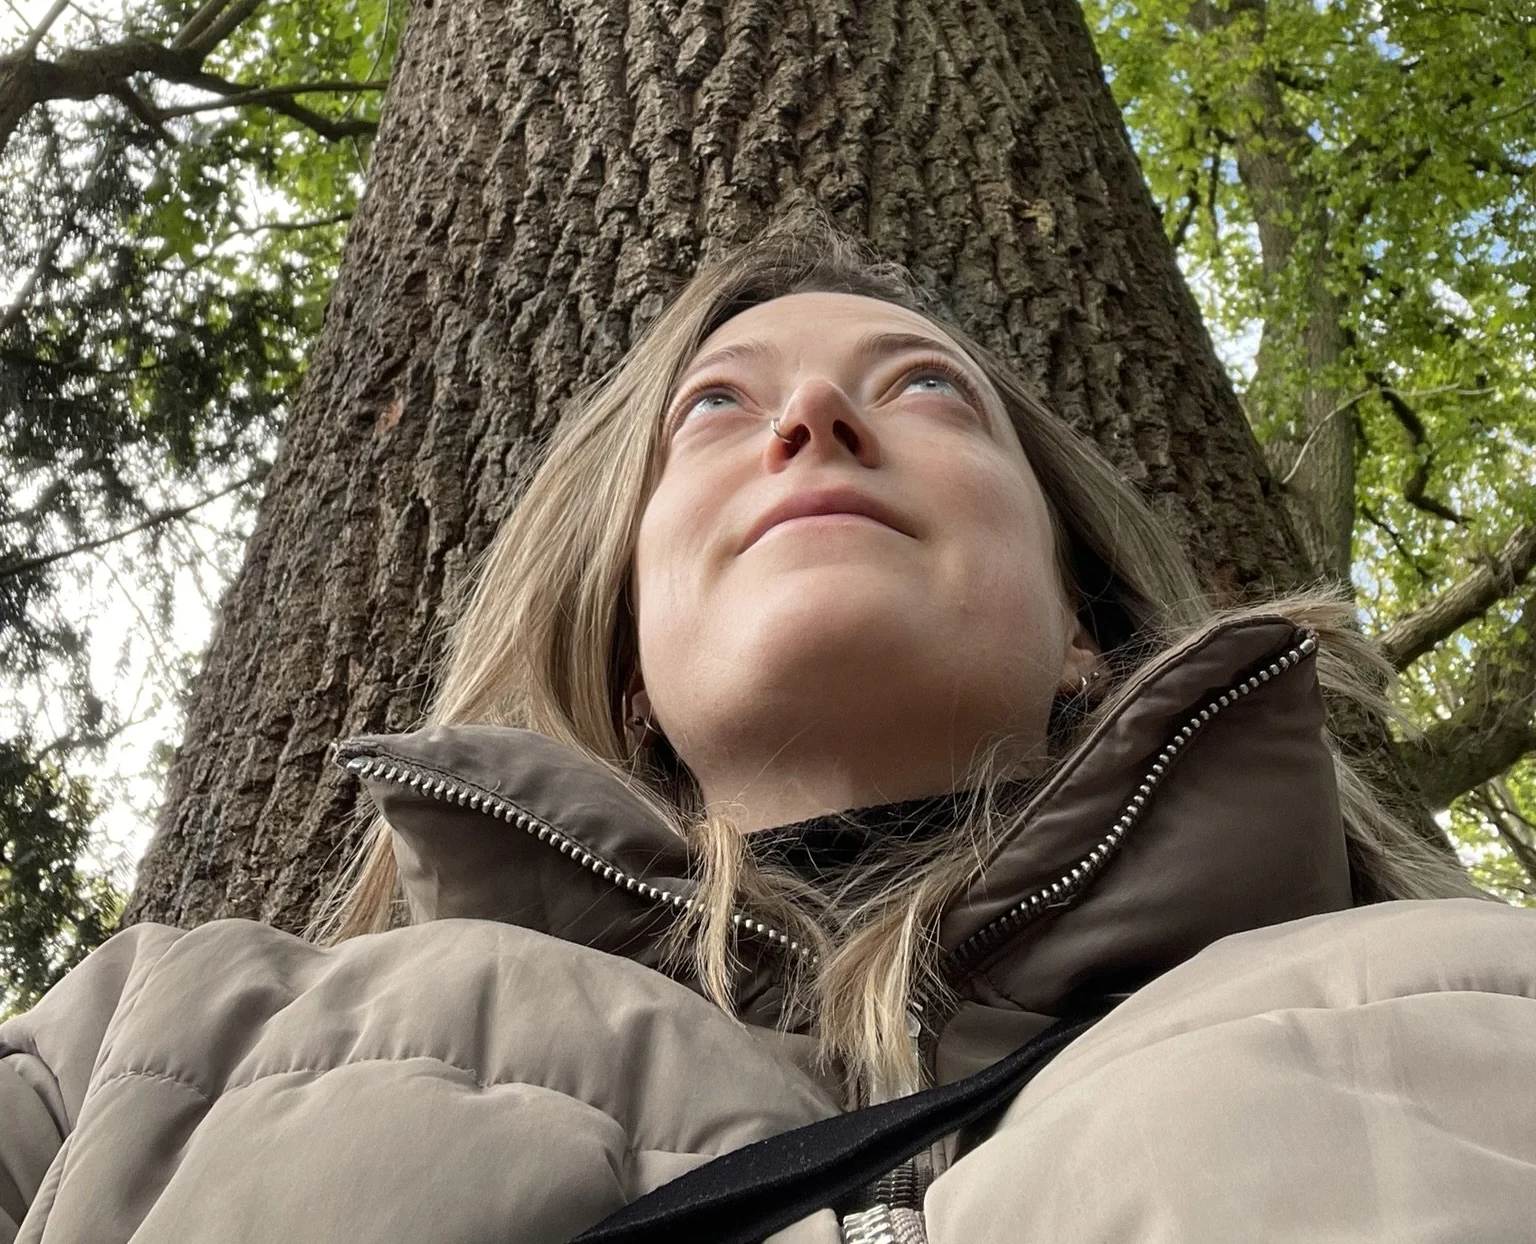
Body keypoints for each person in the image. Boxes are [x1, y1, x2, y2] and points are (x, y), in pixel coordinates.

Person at [1, 224, 1531, 1244]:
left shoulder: (1481, 990)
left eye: (925, 387)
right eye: (718, 411)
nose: (816, 423)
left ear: (1085, 625)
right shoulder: (160, 1039)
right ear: (623, 670)